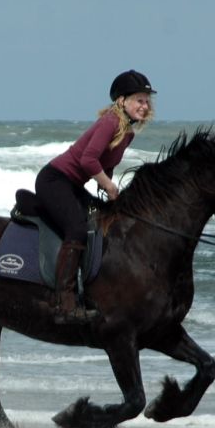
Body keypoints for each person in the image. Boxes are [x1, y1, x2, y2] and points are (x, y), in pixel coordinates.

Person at [35, 69, 156, 324]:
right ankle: (64, 301)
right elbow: (87, 159)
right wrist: (110, 186)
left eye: (147, 101)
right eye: (139, 100)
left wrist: (112, 198)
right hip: (54, 180)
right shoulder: (110, 122)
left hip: (73, 185)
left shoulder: (127, 133)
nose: (144, 106)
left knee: (103, 222)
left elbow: (106, 163)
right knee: (77, 229)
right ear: (122, 101)